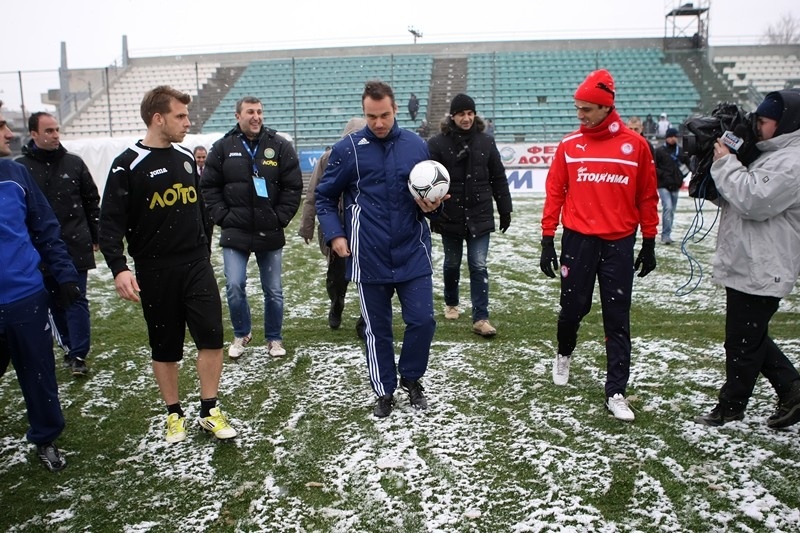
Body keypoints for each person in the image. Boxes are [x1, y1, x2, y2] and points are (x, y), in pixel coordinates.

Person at [99, 85, 236, 443]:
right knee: (165, 346)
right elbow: (109, 223)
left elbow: (200, 210)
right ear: (157, 118)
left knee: (212, 337)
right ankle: (174, 413)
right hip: (155, 270)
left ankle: (209, 410)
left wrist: (203, 248)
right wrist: (120, 268)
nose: (187, 123)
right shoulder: (126, 164)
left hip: (196, 264)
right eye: (180, 116)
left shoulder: (187, 158)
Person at [315, 80, 445, 418]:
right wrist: (335, 235)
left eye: (384, 115)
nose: (379, 123)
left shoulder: (417, 145)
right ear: (364, 112)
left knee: (422, 320)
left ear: (395, 109)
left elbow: (431, 195)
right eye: (371, 117)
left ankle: (412, 379)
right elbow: (325, 197)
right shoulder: (348, 149)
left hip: (411, 251)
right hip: (368, 254)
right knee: (377, 329)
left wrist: (435, 206)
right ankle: (384, 391)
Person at [539, 69, 659, 422]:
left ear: (607, 108)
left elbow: (647, 197)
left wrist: (649, 241)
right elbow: (555, 193)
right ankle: (564, 353)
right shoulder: (569, 146)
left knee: (617, 318)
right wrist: (548, 238)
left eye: (587, 109)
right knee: (573, 308)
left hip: (619, 243)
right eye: (578, 108)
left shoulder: (635, 147)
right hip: (578, 240)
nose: (581, 115)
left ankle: (616, 390)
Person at [694, 89, 800, 428]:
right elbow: (734, 197)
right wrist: (709, 169)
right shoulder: (770, 154)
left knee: (742, 341)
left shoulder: (792, 161)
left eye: (764, 121)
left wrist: (726, 161)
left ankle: (731, 406)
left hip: (764, 265)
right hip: (750, 261)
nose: (757, 127)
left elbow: (754, 200)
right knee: (749, 338)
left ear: (786, 123)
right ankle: (793, 391)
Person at [0, 100, 82, 471]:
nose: (9, 133)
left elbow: (44, 226)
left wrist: (64, 274)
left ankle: (46, 437)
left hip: (25, 298)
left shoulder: (14, 175)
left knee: (39, 374)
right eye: (1, 125)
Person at [201, 96, 303, 359]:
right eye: (250, 112)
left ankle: (274, 339)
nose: (256, 116)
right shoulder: (223, 147)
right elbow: (209, 187)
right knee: (234, 285)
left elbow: (293, 187)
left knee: (274, 290)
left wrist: (279, 217)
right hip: (235, 231)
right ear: (238, 116)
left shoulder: (279, 145)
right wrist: (223, 216)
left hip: (269, 230)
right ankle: (242, 333)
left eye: (259, 111)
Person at [17, 112, 100, 376]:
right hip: (38, 249)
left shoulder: (74, 163)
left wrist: (95, 235)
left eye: (56, 130)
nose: (55, 135)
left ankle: (78, 354)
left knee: (76, 297)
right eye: (49, 131)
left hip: (75, 244)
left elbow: (91, 200)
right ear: (34, 134)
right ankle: (67, 345)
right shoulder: (21, 168)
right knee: (53, 302)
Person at [427, 93, 512, 337]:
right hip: (450, 216)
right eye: (462, 113)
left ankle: (481, 318)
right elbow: (430, 180)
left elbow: (498, 177)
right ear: (452, 116)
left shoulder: (486, 142)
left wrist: (505, 209)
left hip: (480, 214)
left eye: (470, 113)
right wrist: (434, 212)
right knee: (452, 264)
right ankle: (451, 303)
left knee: (478, 265)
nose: (466, 118)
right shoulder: (437, 144)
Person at [298, 117, 366, 330]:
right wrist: (306, 226)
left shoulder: (372, 157)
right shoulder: (328, 159)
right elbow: (313, 194)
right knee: (337, 276)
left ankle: (367, 316)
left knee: (369, 277)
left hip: (366, 228)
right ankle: (336, 304)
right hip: (336, 227)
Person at [654, 127, 689, 245]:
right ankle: (665, 235)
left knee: (671, 210)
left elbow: (688, 165)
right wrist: (663, 175)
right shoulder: (659, 151)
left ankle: (667, 233)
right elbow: (654, 167)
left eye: (675, 136)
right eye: (671, 136)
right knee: (668, 208)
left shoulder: (681, 151)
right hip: (663, 184)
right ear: (667, 137)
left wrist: (681, 176)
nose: (673, 138)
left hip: (675, 184)